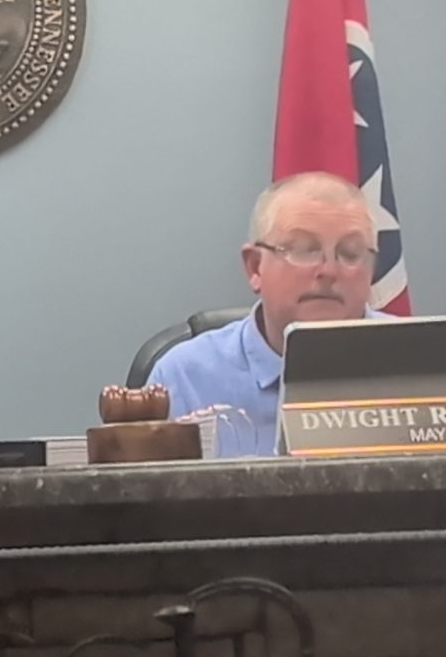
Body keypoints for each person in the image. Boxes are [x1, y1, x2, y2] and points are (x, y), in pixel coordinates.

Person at [146, 171, 377, 458]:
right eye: (303, 250)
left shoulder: (420, 363)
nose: (329, 271)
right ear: (255, 267)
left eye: (350, 253)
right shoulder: (183, 379)